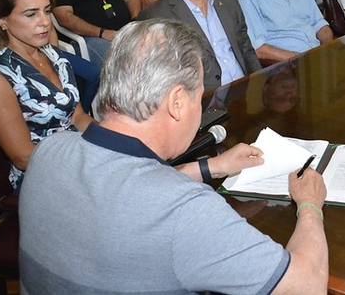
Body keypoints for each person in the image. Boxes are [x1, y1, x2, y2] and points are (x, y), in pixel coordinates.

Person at [18, 18, 328, 293]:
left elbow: (123, 193)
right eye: (198, 95)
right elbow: (306, 285)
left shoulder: (48, 152)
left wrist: (211, 166)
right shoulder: (186, 211)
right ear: (177, 101)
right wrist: (310, 204)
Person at [0, 0, 93, 190]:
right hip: (41, 179)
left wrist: (116, 141)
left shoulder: (53, 55)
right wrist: (91, 158)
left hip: (79, 159)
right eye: (31, 14)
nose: (45, 22)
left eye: (47, 11)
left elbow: (78, 117)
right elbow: (23, 157)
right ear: (2, 20)